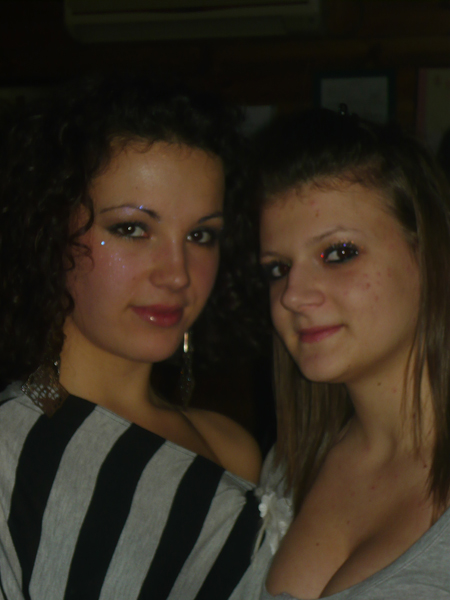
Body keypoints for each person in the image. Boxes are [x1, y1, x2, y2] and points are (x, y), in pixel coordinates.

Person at [0, 75, 263, 600]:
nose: (177, 273)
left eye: (201, 235)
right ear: (50, 231)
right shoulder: (8, 451)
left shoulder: (233, 448)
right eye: (132, 229)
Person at [253, 107, 450, 599]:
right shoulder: (291, 462)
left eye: (338, 253)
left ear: (429, 254)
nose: (293, 295)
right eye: (278, 268)